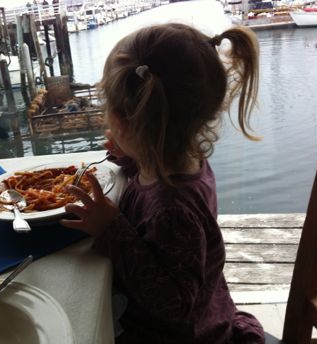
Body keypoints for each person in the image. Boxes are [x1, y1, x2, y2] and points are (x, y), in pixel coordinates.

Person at [61, 22, 265, 344]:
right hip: (205, 308)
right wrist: (132, 156)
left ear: (126, 122)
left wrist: (110, 230)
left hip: (180, 334)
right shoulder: (182, 159)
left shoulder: (171, 210)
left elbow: (175, 305)